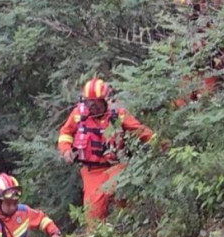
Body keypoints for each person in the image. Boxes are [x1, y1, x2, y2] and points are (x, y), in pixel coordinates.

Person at [57, 78, 156, 225]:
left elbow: (140, 131)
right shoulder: (78, 114)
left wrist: (159, 142)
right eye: (89, 102)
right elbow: (65, 133)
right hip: (91, 171)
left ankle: (135, 223)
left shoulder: (118, 114)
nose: (92, 106)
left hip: (116, 166)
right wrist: (66, 150)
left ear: (105, 100)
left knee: (121, 192)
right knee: (93, 215)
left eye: (96, 102)